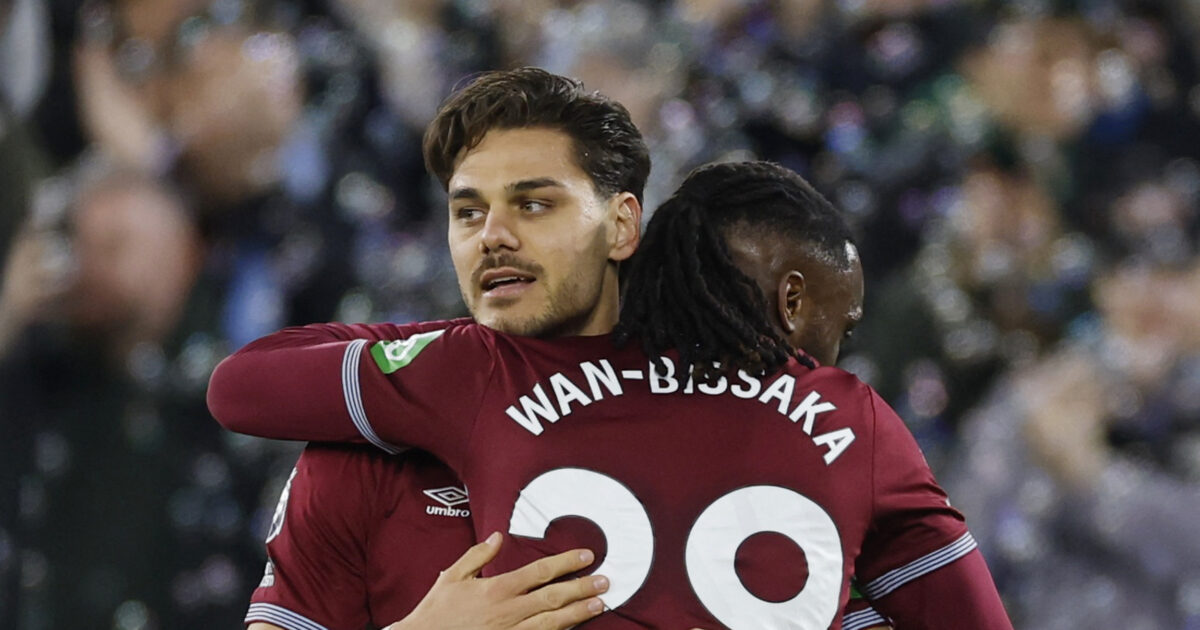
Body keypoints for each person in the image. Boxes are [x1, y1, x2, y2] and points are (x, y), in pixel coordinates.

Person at [209, 141, 1010, 627]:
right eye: (845, 325)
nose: (834, 357)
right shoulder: (851, 421)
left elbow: (240, 389)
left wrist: (435, 348)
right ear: (791, 299)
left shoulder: (479, 374)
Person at [242, 67, 650, 630]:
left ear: (622, 225)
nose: (493, 236)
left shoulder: (712, 413)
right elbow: (234, 386)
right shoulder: (368, 448)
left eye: (533, 204)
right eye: (469, 213)